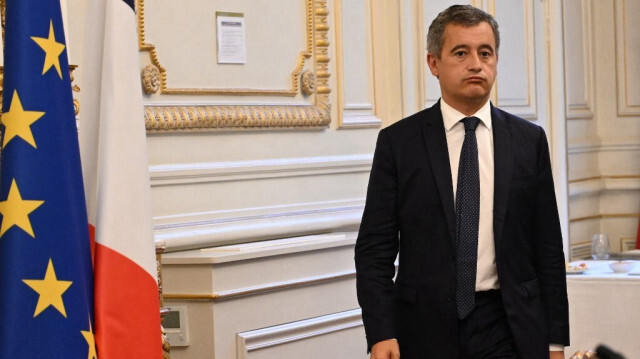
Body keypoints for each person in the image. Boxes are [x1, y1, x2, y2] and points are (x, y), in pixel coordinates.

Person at [354, 5, 569, 359]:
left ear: (496, 61)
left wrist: (555, 341)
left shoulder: (528, 140)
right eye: (461, 53)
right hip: (424, 328)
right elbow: (374, 250)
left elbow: (546, 247)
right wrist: (381, 331)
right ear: (433, 63)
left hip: (510, 325)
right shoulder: (400, 143)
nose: (475, 64)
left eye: (485, 53)